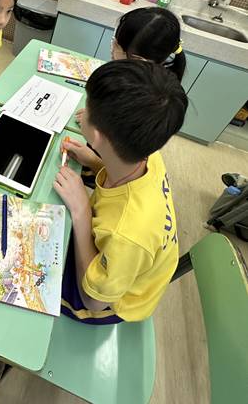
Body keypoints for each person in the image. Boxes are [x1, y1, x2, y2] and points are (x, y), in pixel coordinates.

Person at [55, 60, 188, 323]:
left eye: (88, 106)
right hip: (122, 261)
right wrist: (96, 162)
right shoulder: (150, 156)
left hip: (110, 302)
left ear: (96, 136)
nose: (84, 110)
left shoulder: (127, 235)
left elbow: (92, 300)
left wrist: (81, 212)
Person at [76, 7, 186, 127]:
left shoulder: (151, 99)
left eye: (116, 44)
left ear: (137, 60)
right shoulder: (137, 74)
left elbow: (124, 130)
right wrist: (96, 114)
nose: (112, 47)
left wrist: (96, 123)